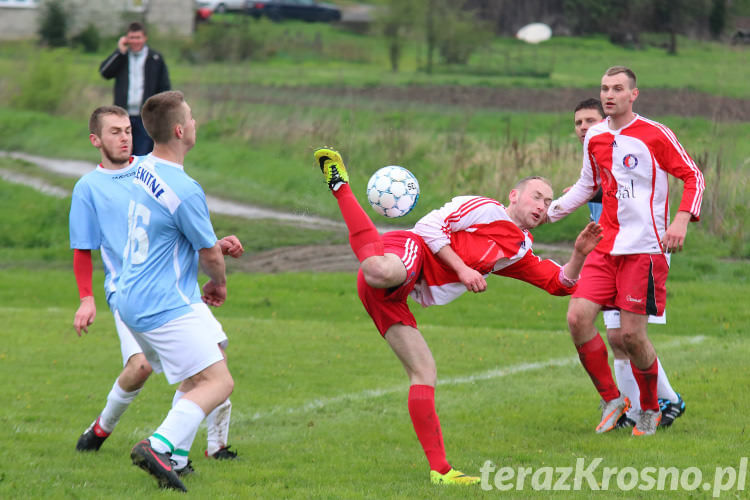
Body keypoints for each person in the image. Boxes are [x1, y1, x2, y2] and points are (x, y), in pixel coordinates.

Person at [312, 147, 604, 485]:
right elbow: (427, 227)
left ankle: (441, 472)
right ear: (514, 195)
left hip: (400, 293)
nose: (542, 205)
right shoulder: (485, 209)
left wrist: (580, 254)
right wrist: (463, 269)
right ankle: (340, 185)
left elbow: (559, 283)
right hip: (409, 252)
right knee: (378, 269)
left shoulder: (518, 249)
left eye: (548, 201)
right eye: (536, 196)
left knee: (424, 371)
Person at [70, 105, 242, 466]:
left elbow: (170, 236)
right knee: (203, 377)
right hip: (150, 296)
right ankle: (144, 440)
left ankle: (196, 451)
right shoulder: (99, 185)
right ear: (95, 140)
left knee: (209, 363)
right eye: (114, 131)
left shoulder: (143, 171)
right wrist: (87, 297)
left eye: (127, 129)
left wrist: (209, 244)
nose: (123, 136)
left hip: (163, 292)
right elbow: (83, 248)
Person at [548, 67, 705, 436]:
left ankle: (650, 409)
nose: (609, 94)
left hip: (645, 248)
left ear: (633, 95)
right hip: (605, 248)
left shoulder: (655, 134)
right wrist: (550, 211)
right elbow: (586, 185)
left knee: (632, 337)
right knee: (577, 318)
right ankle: (613, 399)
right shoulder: (596, 137)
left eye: (618, 89)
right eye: (604, 88)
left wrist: (681, 220)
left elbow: (692, 175)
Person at [570, 98, 685, 429]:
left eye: (590, 121)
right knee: (618, 337)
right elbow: (603, 186)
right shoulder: (597, 153)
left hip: (641, 252)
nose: (584, 128)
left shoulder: (631, 144)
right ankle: (632, 409)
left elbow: (633, 188)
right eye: (578, 123)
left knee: (630, 336)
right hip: (609, 254)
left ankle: (666, 400)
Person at [99, 22, 171, 156]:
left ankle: (138, 177)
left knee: (142, 155)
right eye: (131, 37)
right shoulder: (122, 57)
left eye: (138, 37)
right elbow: (105, 72)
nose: (135, 41)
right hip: (123, 116)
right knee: (123, 155)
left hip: (145, 117)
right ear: (126, 39)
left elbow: (164, 87)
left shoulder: (155, 58)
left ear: (145, 38)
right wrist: (119, 52)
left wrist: (160, 114)